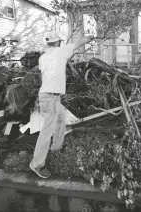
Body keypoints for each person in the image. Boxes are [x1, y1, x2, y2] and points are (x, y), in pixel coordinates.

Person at [30, 32, 93, 178]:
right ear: (58, 42)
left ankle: (56, 148)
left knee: (61, 121)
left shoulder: (43, 57)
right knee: (47, 132)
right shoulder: (61, 51)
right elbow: (80, 41)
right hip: (49, 98)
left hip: (51, 97)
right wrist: (90, 37)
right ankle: (37, 164)